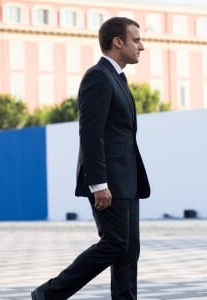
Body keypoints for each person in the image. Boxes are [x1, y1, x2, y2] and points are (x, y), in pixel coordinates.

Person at [31, 16, 150, 300]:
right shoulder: (98, 76)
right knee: (115, 244)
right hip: (109, 180)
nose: (141, 46)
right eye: (136, 40)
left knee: (128, 249)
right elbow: (90, 134)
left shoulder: (117, 78)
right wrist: (98, 183)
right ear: (117, 41)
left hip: (127, 179)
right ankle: (48, 294)